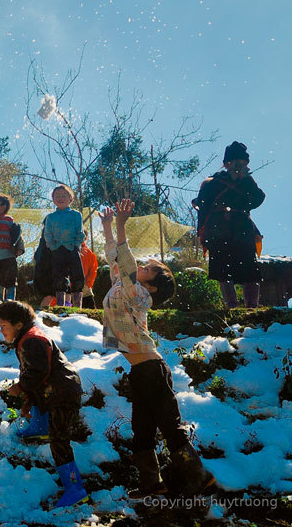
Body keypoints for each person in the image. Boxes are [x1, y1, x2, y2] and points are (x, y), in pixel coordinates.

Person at [100, 199, 215, 498]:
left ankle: (198, 476)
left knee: (169, 426)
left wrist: (124, 225)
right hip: (139, 372)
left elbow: (124, 262)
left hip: (153, 369)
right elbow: (116, 259)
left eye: (149, 268)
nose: (142, 266)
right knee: (142, 430)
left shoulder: (139, 295)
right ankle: (152, 483)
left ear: (151, 287)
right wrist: (108, 227)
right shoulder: (122, 287)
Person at [0, 301, 88, 507]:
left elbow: (37, 372)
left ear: (18, 324)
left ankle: (75, 488)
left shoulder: (32, 340)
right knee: (54, 431)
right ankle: (38, 427)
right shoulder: (27, 338)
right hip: (54, 392)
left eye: (3, 326)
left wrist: (20, 387)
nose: (1, 331)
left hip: (63, 393)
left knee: (59, 440)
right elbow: (36, 375)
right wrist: (28, 399)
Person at [193, 141, 265, 308]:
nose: (239, 166)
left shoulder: (247, 183)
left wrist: (248, 180)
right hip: (218, 231)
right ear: (226, 164)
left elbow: (258, 200)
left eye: (243, 163)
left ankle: (251, 308)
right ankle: (231, 307)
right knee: (223, 271)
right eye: (236, 162)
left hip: (242, 231)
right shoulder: (212, 183)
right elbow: (203, 208)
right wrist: (201, 233)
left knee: (250, 270)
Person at [43, 184, 85, 308]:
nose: (60, 198)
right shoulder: (50, 217)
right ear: (53, 200)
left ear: (70, 199)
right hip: (57, 250)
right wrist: (52, 246)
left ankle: (78, 306)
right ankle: (61, 305)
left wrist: (76, 245)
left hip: (72, 249)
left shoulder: (76, 215)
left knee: (77, 275)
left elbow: (80, 232)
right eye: (57, 196)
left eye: (63, 195)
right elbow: (48, 233)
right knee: (58, 276)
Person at [0, 194, 24, 302]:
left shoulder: (8, 220)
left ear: (3, 206)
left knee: (10, 278)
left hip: (8, 255)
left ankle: (10, 298)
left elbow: (17, 234)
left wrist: (19, 248)